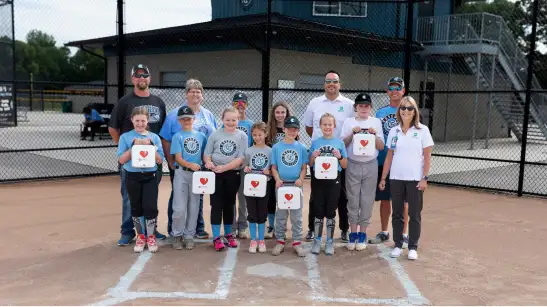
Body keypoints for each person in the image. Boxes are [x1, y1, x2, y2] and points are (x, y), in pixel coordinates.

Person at [109, 64, 167, 246]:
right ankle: (127, 231)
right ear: (133, 79)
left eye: (145, 75)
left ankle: (151, 231)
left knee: (150, 197)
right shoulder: (125, 102)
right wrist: (126, 148)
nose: (141, 78)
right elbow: (113, 127)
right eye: (138, 75)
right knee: (129, 198)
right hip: (131, 164)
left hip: (152, 164)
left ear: (149, 78)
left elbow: (163, 130)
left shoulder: (158, 102)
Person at [159, 78, 215, 241]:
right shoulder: (174, 114)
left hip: (200, 164)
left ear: (202, 95)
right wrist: (170, 161)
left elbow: (212, 139)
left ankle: (197, 228)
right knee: (178, 197)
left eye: (198, 91)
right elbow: (165, 138)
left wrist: (208, 160)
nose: (195, 94)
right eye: (192, 91)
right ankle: (174, 228)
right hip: (180, 163)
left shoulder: (208, 114)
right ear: (186, 94)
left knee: (198, 195)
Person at [379, 96, 433, 260]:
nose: (406, 111)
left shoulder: (423, 130)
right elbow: (389, 157)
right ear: (399, 110)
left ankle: (412, 246)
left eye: (410, 108)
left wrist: (424, 178)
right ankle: (397, 244)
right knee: (397, 213)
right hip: (396, 178)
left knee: (414, 214)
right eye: (403, 108)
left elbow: (427, 157)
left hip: (415, 179)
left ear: (415, 111)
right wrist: (383, 178)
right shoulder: (394, 131)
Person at [303, 70, 354, 243]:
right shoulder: (315, 103)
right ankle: (311, 229)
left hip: (339, 156)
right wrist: (321, 145)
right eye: (328, 81)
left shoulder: (348, 104)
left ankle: (344, 230)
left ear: (340, 84)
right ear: (324, 84)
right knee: (315, 195)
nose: (331, 84)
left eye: (335, 81)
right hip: (319, 157)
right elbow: (309, 128)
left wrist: (337, 149)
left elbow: (352, 126)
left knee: (341, 195)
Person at [116, 106, 165, 253]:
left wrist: (151, 146)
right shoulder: (126, 137)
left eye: (143, 121)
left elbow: (159, 160)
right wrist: (133, 147)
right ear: (132, 120)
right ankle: (140, 236)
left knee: (150, 207)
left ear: (147, 120)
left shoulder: (154, 137)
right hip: (132, 176)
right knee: (136, 207)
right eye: (137, 120)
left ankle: (151, 236)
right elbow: (121, 159)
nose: (140, 124)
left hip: (150, 176)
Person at [340, 93, 384, 251]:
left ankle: (363, 234)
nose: (363, 108)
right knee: (352, 199)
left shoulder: (376, 122)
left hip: (370, 164)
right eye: (360, 106)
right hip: (353, 163)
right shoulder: (349, 122)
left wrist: (373, 134)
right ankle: (353, 233)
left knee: (367, 199)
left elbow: (380, 146)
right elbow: (342, 144)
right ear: (356, 108)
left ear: (370, 107)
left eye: (366, 106)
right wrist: (352, 134)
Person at [369, 77, 410, 248]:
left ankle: (404, 234)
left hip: (402, 164)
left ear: (403, 91)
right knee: (385, 199)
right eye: (391, 88)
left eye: (398, 88)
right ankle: (385, 231)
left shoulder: (409, 111)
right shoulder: (380, 113)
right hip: (383, 162)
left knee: (404, 201)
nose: (394, 91)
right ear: (387, 91)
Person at [203, 107, 248, 251]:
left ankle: (229, 234)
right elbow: (207, 154)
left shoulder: (242, 136)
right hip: (216, 174)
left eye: (234, 120)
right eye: (227, 120)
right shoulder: (215, 135)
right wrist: (209, 162)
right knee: (216, 205)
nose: (230, 122)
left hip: (232, 174)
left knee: (230, 204)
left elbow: (241, 158)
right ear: (222, 119)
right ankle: (216, 237)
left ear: (238, 120)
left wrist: (225, 167)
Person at [309, 113, 348, 256]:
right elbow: (310, 164)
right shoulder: (315, 142)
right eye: (324, 124)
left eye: (330, 124)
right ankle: (317, 240)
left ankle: (330, 241)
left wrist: (340, 156)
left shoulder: (339, 143)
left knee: (331, 209)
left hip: (334, 180)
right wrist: (313, 155)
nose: (327, 127)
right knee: (318, 208)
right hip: (318, 179)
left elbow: (344, 165)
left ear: (334, 126)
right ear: (320, 126)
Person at [170, 106, 208, 250]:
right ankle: (177, 234)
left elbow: (204, 155)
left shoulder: (201, 136)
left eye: (189, 118)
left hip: (197, 175)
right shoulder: (177, 136)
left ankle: (189, 236)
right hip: (182, 172)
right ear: (179, 120)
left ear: (194, 119)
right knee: (179, 207)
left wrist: (205, 164)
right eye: (183, 118)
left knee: (194, 206)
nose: (186, 120)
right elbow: (178, 158)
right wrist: (190, 165)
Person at [271, 116, 308, 257]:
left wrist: (301, 179)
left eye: (295, 130)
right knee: (281, 214)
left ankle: (297, 241)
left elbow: (304, 167)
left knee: (296, 215)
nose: (292, 132)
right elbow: (274, 167)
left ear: (298, 131)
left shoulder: (302, 147)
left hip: (295, 186)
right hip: (282, 185)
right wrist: (277, 179)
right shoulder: (277, 147)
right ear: (284, 129)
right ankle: (280, 240)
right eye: (289, 129)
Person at [265, 101, 294, 239]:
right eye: (277, 112)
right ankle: (271, 226)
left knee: (286, 198)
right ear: (273, 114)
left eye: (283, 112)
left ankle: (282, 225)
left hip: (287, 169)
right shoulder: (269, 129)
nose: (280, 115)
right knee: (271, 199)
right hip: (272, 170)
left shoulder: (291, 128)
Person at [242, 122, 272, 253]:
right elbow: (245, 166)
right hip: (251, 186)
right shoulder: (249, 151)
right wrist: (246, 168)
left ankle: (261, 240)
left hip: (264, 186)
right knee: (252, 212)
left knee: (262, 213)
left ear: (265, 134)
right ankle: (253, 240)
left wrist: (269, 171)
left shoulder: (270, 151)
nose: (257, 137)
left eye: (260, 134)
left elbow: (273, 168)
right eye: (254, 135)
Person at [231, 92, 254, 239]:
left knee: (243, 197)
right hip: (231, 165)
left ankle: (243, 226)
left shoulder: (250, 125)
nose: (240, 105)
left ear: (247, 105)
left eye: (243, 103)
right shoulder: (230, 122)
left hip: (245, 165)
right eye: (237, 103)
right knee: (230, 197)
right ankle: (231, 226)